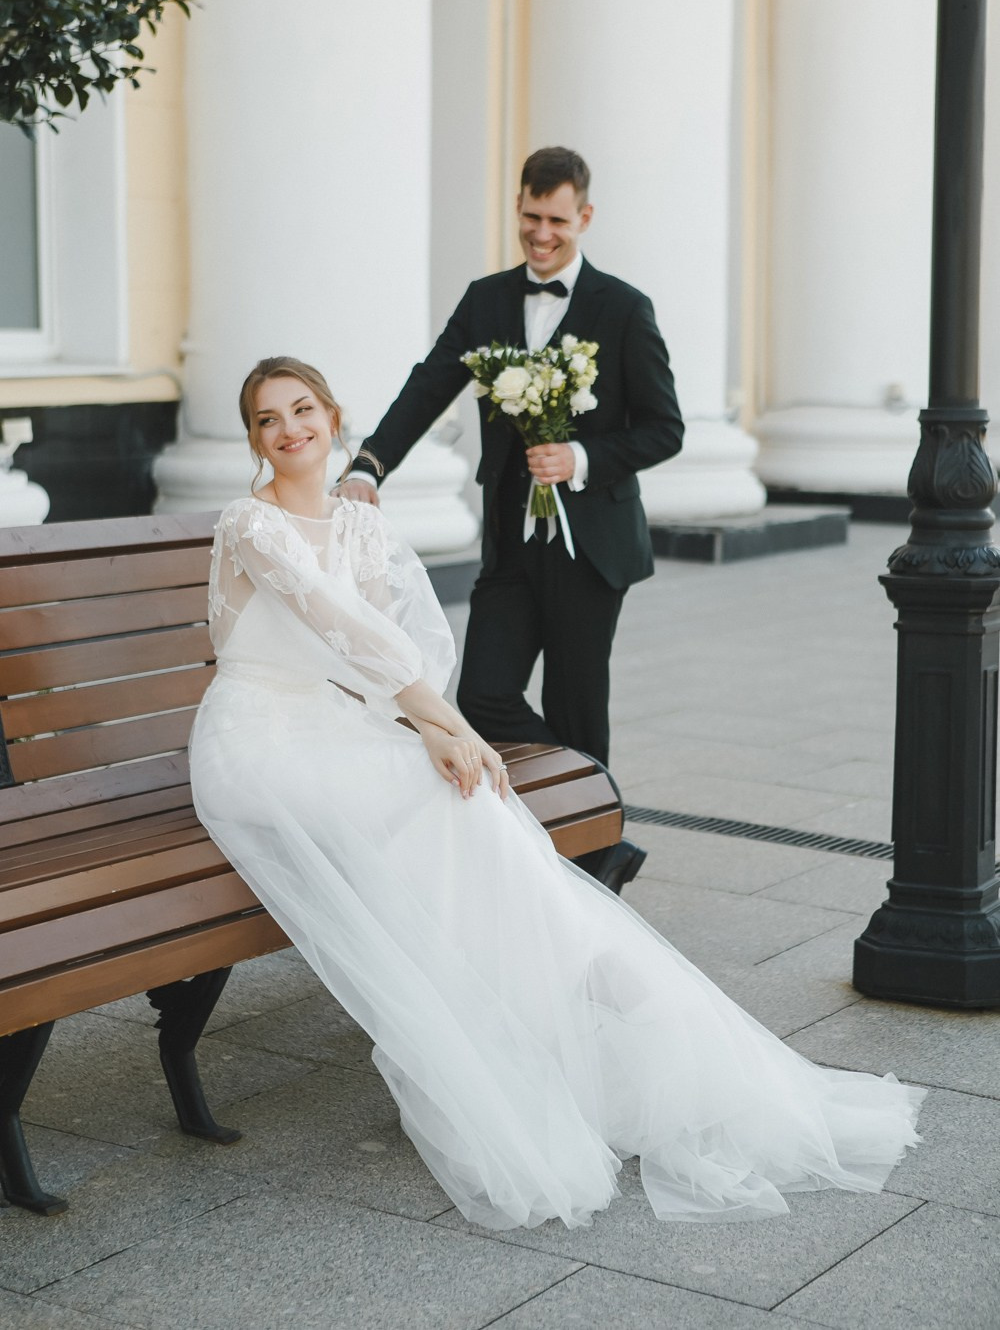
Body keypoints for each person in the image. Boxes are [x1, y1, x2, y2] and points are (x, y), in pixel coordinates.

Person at [189, 353, 923, 1234]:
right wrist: (448, 728)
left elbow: (392, 647)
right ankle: (525, 1014)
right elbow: (341, 633)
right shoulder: (250, 524)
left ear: (333, 414)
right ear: (255, 440)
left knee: (469, 806)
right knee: (446, 798)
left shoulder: (362, 525)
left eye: (302, 408)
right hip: (260, 736)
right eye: (268, 419)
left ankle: (573, 994)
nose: (290, 429)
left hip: (343, 726)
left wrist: (431, 728)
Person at [338, 148, 684, 890]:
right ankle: (588, 818)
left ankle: (591, 860)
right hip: (510, 545)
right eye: (531, 216)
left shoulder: (624, 309)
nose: (541, 234)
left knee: (577, 705)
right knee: (483, 693)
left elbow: (665, 428)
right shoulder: (487, 299)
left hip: (592, 550)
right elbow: (429, 384)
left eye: (557, 220)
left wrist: (581, 458)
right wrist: (370, 464)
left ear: (584, 217)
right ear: (518, 207)